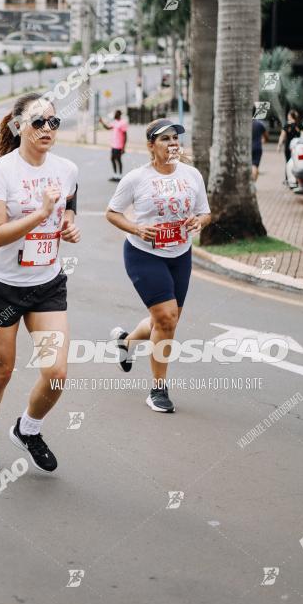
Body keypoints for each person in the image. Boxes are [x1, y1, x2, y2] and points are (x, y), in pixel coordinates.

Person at [0, 93, 81, 475]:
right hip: (0, 285)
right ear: (19, 127)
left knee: (56, 373)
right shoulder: (0, 171)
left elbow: (70, 205)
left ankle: (27, 429)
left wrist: (67, 222)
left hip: (46, 285)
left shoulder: (67, 169)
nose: (47, 129)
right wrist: (42, 213)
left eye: (53, 122)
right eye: (38, 122)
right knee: (1, 372)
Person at [105, 118, 211, 413]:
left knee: (165, 320)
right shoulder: (136, 179)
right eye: (165, 139)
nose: (173, 143)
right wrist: (137, 229)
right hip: (144, 254)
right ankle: (158, 389)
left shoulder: (192, 176)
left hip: (180, 254)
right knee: (165, 318)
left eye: (176, 138)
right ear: (151, 146)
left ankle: (126, 341)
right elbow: (112, 213)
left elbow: (205, 213)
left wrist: (198, 222)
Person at [99, 109, 128, 181]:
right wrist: (102, 122)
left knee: (118, 160)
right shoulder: (114, 122)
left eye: (115, 114)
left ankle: (120, 176)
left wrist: (123, 147)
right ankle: (115, 176)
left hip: (119, 146)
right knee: (112, 159)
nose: (114, 115)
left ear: (119, 114)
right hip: (114, 145)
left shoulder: (123, 123)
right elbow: (108, 128)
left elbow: (125, 136)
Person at [277, 109, 303, 183]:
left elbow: (282, 136)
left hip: (288, 146)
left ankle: (288, 179)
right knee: (296, 162)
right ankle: (297, 178)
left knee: (288, 162)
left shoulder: (287, 125)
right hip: (297, 146)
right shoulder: (299, 124)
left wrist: (279, 145)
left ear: (290, 116)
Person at [252, 109, 269, 182]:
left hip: (246, 148)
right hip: (257, 147)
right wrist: (263, 140)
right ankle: (253, 184)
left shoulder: (243, 124)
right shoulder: (259, 124)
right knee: (255, 166)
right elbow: (266, 137)